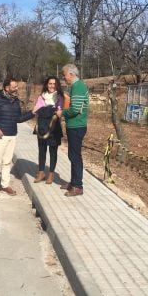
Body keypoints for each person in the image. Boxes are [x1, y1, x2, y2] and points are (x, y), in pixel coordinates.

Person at [0, 77, 36, 197]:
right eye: (14, 87)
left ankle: (5, 185)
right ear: (7, 88)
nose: (17, 88)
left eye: (17, 86)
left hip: (12, 135)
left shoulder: (15, 100)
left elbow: (18, 118)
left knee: (7, 162)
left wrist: (32, 113)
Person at [56, 64, 89, 197]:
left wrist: (62, 113)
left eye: (64, 75)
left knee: (75, 156)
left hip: (77, 126)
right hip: (73, 126)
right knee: (72, 155)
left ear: (71, 74)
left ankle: (77, 186)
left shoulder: (79, 86)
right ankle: (73, 182)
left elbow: (75, 109)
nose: (64, 78)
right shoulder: (75, 86)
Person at [33, 76, 64, 185]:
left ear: (57, 85)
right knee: (41, 150)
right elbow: (36, 110)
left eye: (54, 84)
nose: (52, 86)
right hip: (41, 126)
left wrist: (54, 113)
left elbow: (59, 111)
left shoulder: (59, 97)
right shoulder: (41, 97)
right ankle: (41, 173)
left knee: (53, 151)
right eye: (50, 83)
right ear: (47, 84)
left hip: (53, 127)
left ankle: (51, 174)